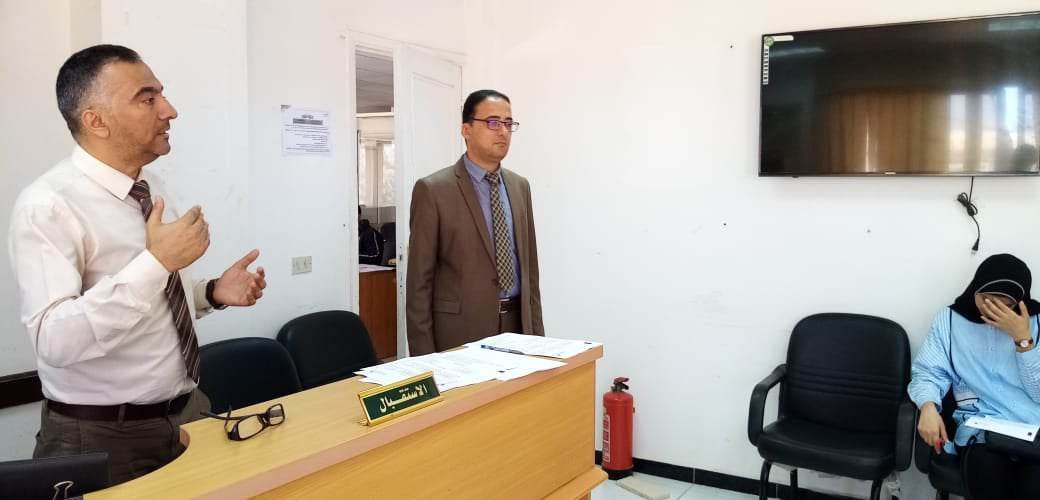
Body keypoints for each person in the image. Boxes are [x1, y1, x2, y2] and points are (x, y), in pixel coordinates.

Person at [7, 44, 267, 485]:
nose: (170, 110)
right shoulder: (48, 205)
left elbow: (152, 301)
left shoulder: (151, 186)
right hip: (101, 435)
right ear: (96, 121)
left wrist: (210, 293)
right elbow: (55, 340)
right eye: (147, 98)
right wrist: (157, 261)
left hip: (188, 413)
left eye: (161, 94)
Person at [405, 89, 543, 355]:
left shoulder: (519, 187)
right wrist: (424, 358)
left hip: (518, 326)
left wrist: (538, 339)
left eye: (508, 123)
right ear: (466, 129)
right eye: (493, 122)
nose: (503, 131)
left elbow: (530, 271)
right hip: (460, 332)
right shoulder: (433, 190)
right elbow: (419, 284)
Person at [908, 254, 1040, 499]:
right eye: (987, 299)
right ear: (974, 290)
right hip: (981, 428)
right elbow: (929, 372)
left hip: (1032, 429)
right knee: (987, 475)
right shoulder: (950, 320)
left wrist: (1023, 339)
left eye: (1006, 303)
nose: (994, 308)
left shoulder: (1036, 323)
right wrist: (927, 406)